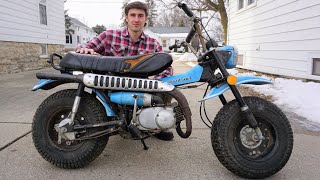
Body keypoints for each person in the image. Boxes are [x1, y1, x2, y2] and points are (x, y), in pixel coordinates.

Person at [76, 1, 174, 141]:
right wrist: (85, 49)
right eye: (132, 15)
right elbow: (87, 45)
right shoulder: (109, 36)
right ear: (126, 18)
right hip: (111, 87)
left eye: (140, 16)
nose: (136, 19)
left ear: (146, 19)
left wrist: (156, 84)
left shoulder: (153, 44)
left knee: (166, 88)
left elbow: (166, 68)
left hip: (141, 88)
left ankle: (156, 126)